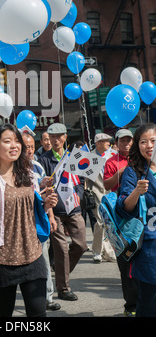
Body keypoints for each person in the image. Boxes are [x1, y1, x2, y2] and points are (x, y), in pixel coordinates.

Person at [0, 123, 58, 317]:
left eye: (16, 141)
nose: (14, 145)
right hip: (2, 258)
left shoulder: (27, 173)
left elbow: (32, 209)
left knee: (38, 314)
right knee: (3, 314)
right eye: (7, 141)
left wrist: (46, 204)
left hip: (32, 253)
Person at [38, 123, 87, 301]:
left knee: (81, 245)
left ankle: (60, 268)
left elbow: (81, 181)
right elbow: (41, 186)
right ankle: (64, 287)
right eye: (52, 136)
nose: (56, 139)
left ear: (66, 137)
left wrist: (78, 196)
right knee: (61, 248)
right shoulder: (43, 159)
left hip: (73, 208)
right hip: (55, 210)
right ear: (48, 139)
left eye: (59, 136)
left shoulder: (74, 157)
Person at [116, 123, 156, 317]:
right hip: (149, 247)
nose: (149, 145)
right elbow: (124, 207)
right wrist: (136, 192)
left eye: (153, 141)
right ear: (137, 146)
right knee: (148, 302)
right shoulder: (133, 171)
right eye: (143, 141)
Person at [21, 131, 60, 312]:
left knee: (43, 259)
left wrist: (50, 216)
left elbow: (46, 195)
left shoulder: (37, 167)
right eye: (25, 147)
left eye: (31, 146)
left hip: (38, 220)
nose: (29, 150)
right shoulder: (12, 168)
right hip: (19, 224)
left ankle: (48, 297)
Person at [103, 128, 137, 316]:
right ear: (116, 143)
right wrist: (123, 172)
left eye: (129, 140)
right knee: (125, 259)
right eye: (122, 141)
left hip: (140, 216)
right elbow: (106, 185)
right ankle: (130, 304)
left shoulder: (141, 159)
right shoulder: (111, 162)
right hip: (119, 216)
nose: (126, 144)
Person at [85, 133, 116, 263]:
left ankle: (108, 251)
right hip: (97, 193)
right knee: (99, 222)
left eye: (108, 141)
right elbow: (87, 179)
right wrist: (87, 192)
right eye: (105, 141)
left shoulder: (113, 155)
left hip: (111, 193)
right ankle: (97, 251)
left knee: (110, 223)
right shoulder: (90, 157)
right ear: (98, 143)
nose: (108, 143)